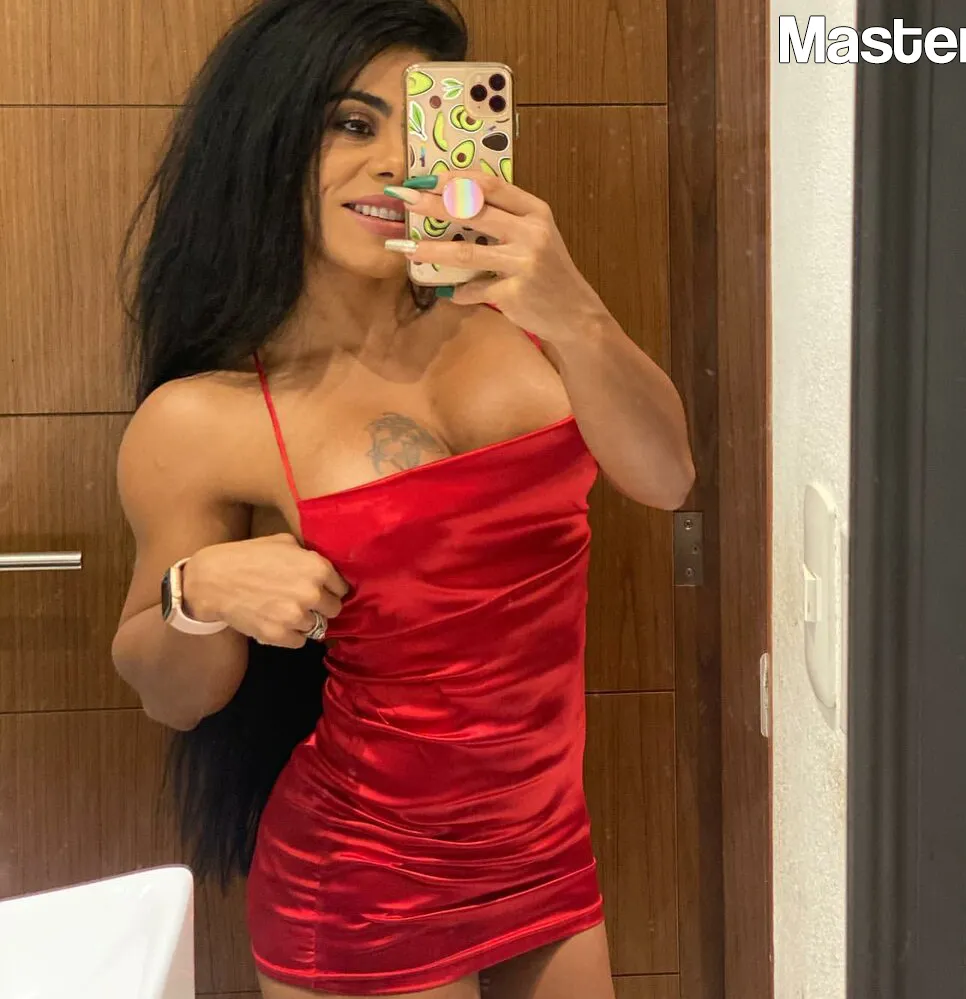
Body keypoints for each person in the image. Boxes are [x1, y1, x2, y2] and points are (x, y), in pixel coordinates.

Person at [111, 1, 695, 996]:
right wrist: (197, 591)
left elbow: (667, 475)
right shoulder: (206, 417)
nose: (393, 163)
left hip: (546, 848)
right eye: (351, 123)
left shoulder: (520, 316)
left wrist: (575, 307)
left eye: (419, 128)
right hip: (363, 878)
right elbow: (172, 693)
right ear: (268, 141)